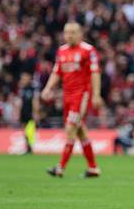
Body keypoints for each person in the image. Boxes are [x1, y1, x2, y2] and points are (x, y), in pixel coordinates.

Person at [41, 22, 104, 178]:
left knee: (70, 129)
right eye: (67, 32)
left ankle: (60, 168)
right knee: (80, 132)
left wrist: (96, 94)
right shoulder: (61, 51)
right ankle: (93, 168)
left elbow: (95, 72)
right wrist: (48, 88)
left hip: (81, 96)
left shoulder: (88, 51)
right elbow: (57, 72)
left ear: (80, 34)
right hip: (67, 96)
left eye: (73, 32)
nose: (69, 35)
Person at [18, 72, 40, 154]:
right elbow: (20, 101)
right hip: (23, 111)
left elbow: (35, 100)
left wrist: (36, 112)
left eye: (24, 78)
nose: (23, 80)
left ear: (29, 78)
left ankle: (30, 147)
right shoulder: (22, 89)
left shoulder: (33, 88)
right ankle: (27, 147)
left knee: (29, 131)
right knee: (24, 131)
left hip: (30, 112)